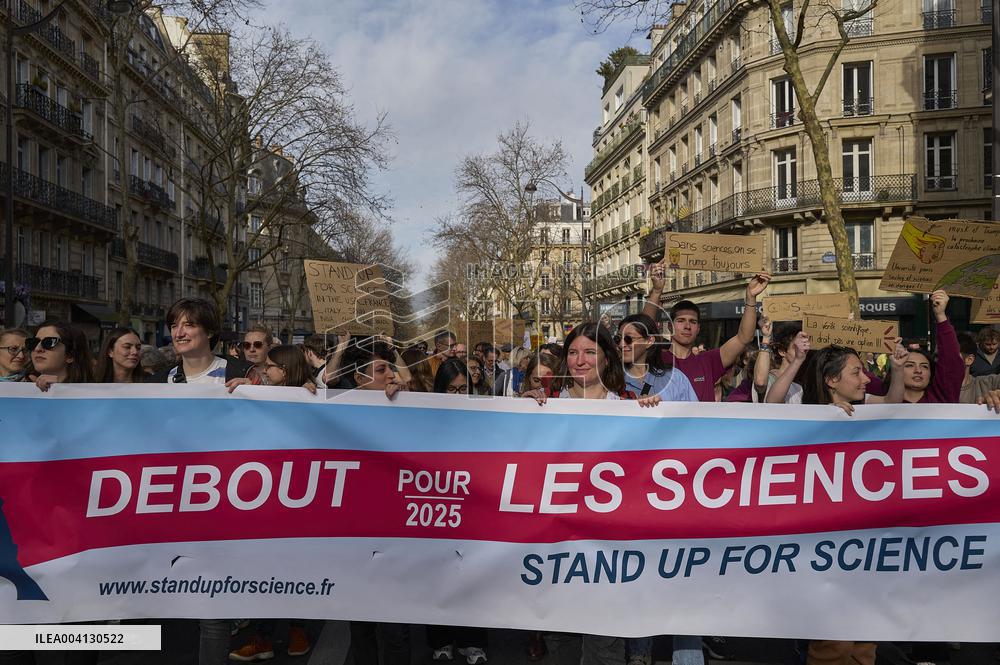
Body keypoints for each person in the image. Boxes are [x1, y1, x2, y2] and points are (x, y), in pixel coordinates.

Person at [643, 264, 771, 402]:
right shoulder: (656, 359)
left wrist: (751, 297)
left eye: (692, 322)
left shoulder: (708, 361)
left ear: (698, 328)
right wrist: (656, 292)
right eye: (681, 321)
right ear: (670, 325)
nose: (687, 326)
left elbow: (744, 338)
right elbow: (643, 330)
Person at [149, 298, 253, 388]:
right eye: (174, 326)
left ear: (209, 332)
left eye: (188, 325)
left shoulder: (244, 373)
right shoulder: (157, 382)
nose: (179, 334)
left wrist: (254, 392)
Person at [894, 291, 962, 404]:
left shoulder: (942, 397)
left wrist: (940, 315)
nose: (918, 371)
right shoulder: (883, 400)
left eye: (925, 367)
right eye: (910, 365)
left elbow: (951, 360)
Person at [617, 314, 696, 401]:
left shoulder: (675, 379)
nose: (621, 344)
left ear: (649, 341)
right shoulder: (610, 380)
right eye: (618, 339)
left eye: (628, 339)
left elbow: (694, 413)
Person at [29, 321, 95, 390]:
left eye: (49, 342)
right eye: (34, 342)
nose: (37, 349)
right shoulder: (20, 386)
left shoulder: (94, 393)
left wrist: (61, 389)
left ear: (70, 355)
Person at [957, 332, 1000, 403]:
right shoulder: (935, 390)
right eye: (937, 356)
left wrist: (997, 395)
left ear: (969, 360)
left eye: (950, 357)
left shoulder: (989, 384)